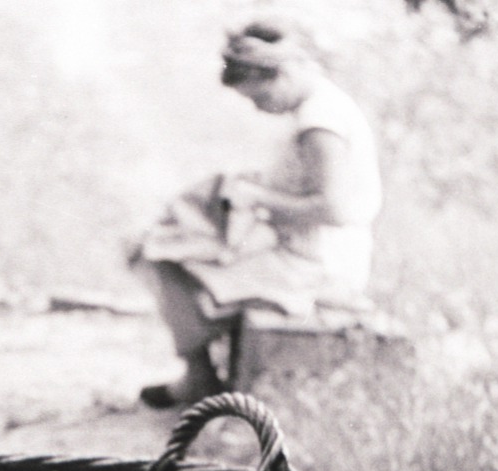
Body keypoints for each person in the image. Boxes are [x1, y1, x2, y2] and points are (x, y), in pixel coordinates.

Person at [134, 17, 383, 407]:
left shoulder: (320, 122)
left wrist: (257, 198)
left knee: (160, 259)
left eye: (260, 98)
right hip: (300, 252)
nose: (262, 109)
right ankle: (199, 370)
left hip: (320, 265)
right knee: (167, 243)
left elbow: (333, 207)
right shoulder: (316, 109)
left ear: (283, 73)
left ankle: (198, 376)